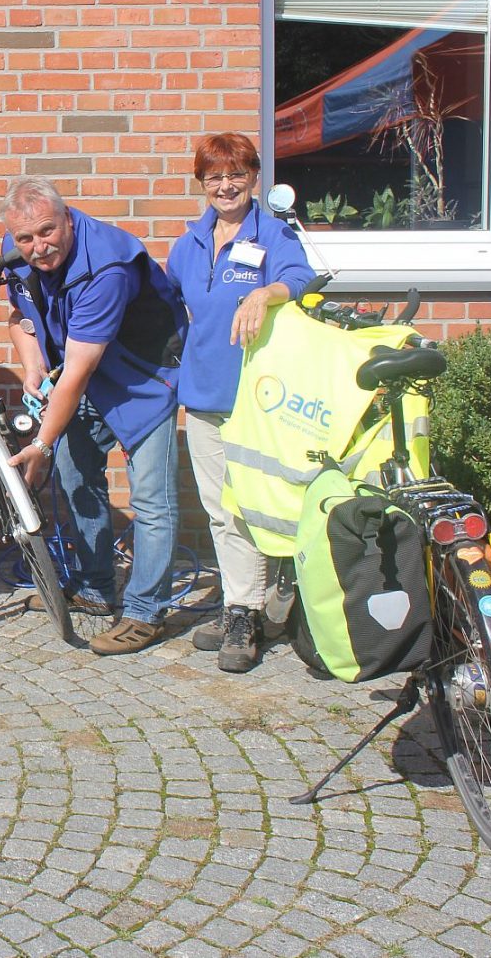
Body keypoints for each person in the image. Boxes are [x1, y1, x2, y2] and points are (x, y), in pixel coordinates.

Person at [0, 176, 188, 655]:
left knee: (151, 499)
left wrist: (41, 443)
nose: (38, 248)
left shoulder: (108, 266)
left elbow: (79, 372)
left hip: (143, 376)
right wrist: (33, 363)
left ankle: (146, 613)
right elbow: (19, 316)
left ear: (68, 219)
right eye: (26, 239)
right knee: (77, 479)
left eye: (47, 232)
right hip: (81, 368)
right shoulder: (18, 245)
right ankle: (96, 588)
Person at [166, 133, 313, 672]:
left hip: (258, 397)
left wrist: (262, 292)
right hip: (203, 396)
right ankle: (243, 607)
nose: (224, 186)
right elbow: (170, 309)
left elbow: (302, 278)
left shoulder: (272, 233)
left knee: (255, 505)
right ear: (202, 183)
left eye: (235, 175)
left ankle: (251, 610)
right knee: (219, 509)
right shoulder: (190, 243)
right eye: (212, 177)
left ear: (253, 177)